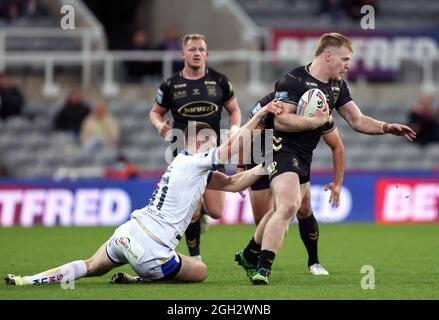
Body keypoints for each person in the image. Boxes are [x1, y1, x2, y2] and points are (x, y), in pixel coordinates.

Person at [4, 103, 281, 286]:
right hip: (153, 252)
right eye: (210, 141)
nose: (215, 146)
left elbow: (233, 183)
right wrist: (258, 116)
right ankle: (141, 278)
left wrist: (264, 166)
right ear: (197, 143)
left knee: (91, 266)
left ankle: (28, 280)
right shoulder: (195, 161)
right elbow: (232, 148)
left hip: (129, 231)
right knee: (200, 271)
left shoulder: (189, 167)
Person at [237, 32, 416, 285]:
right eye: (345, 59)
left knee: (292, 208)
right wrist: (315, 121)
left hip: (303, 156)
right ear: (328, 55)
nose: (348, 65)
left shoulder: (337, 87)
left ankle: (249, 253)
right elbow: (281, 120)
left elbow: (358, 120)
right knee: (289, 206)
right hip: (280, 148)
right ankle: (262, 269)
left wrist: (387, 127)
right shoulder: (293, 80)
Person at [149, 33, 242, 260]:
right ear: (183, 54)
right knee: (191, 210)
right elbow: (154, 112)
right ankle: (195, 257)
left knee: (216, 211)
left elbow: (234, 110)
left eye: (201, 49)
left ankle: (202, 215)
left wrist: (235, 128)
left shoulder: (220, 81)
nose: (197, 53)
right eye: (192, 49)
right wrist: (159, 125)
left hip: (212, 153)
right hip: (183, 153)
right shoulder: (170, 85)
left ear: (206, 54)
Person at [236, 92, 344, 278]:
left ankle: (313, 261)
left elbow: (337, 145)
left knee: (303, 209)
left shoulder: (319, 107)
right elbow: (248, 133)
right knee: (264, 219)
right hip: (260, 155)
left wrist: (338, 181)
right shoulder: (270, 103)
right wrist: (240, 167)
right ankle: (252, 254)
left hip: (291, 155)